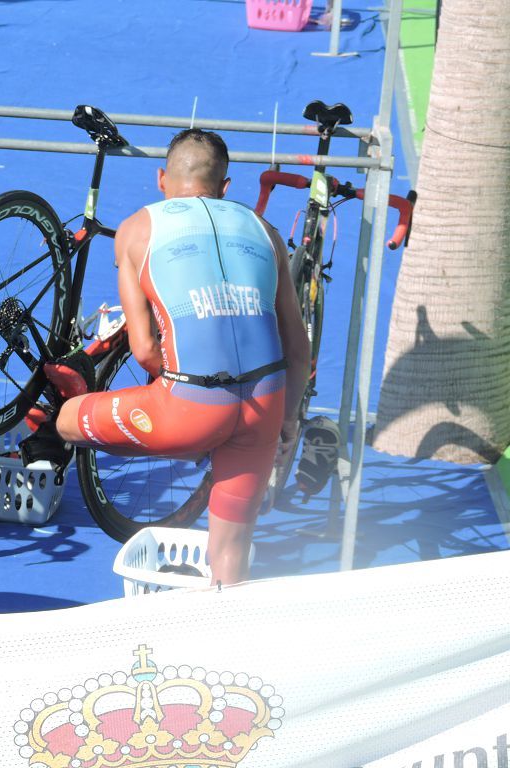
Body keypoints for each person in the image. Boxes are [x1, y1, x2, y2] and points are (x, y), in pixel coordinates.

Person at [45, 128, 310, 585]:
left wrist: (183, 406)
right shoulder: (266, 231)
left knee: (67, 419)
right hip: (267, 403)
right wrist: (287, 421)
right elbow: (298, 346)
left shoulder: (136, 229)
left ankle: (58, 436)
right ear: (226, 188)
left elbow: (144, 347)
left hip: (190, 408)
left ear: (161, 178)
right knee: (229, 556)